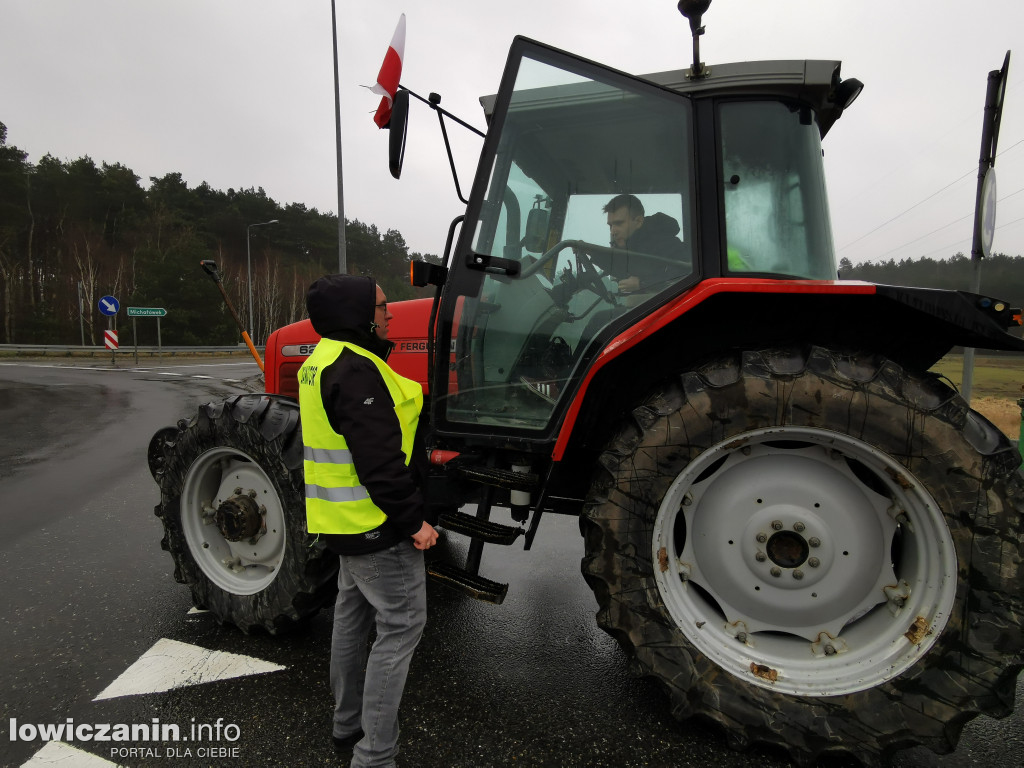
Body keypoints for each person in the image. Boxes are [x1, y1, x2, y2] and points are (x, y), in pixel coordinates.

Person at [298, 274, 438, 768]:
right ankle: (375, 754)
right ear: (358, 313)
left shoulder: (320, 361)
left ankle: (347, 722)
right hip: (377, 525)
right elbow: (377, 462)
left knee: (351, 617)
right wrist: (413, 521)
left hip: (341, 521)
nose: (389, 314)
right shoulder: (357, 370)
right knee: (400, 628)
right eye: (381, 307)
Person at [596, 193, 688, 296]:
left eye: (619, 223)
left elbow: (683, 276)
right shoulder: (632, 248)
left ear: (639, 221)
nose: (613, 231)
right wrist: (591, 253)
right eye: (610, 225)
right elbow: (620, 266)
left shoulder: (666, 244)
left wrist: (642, 283)